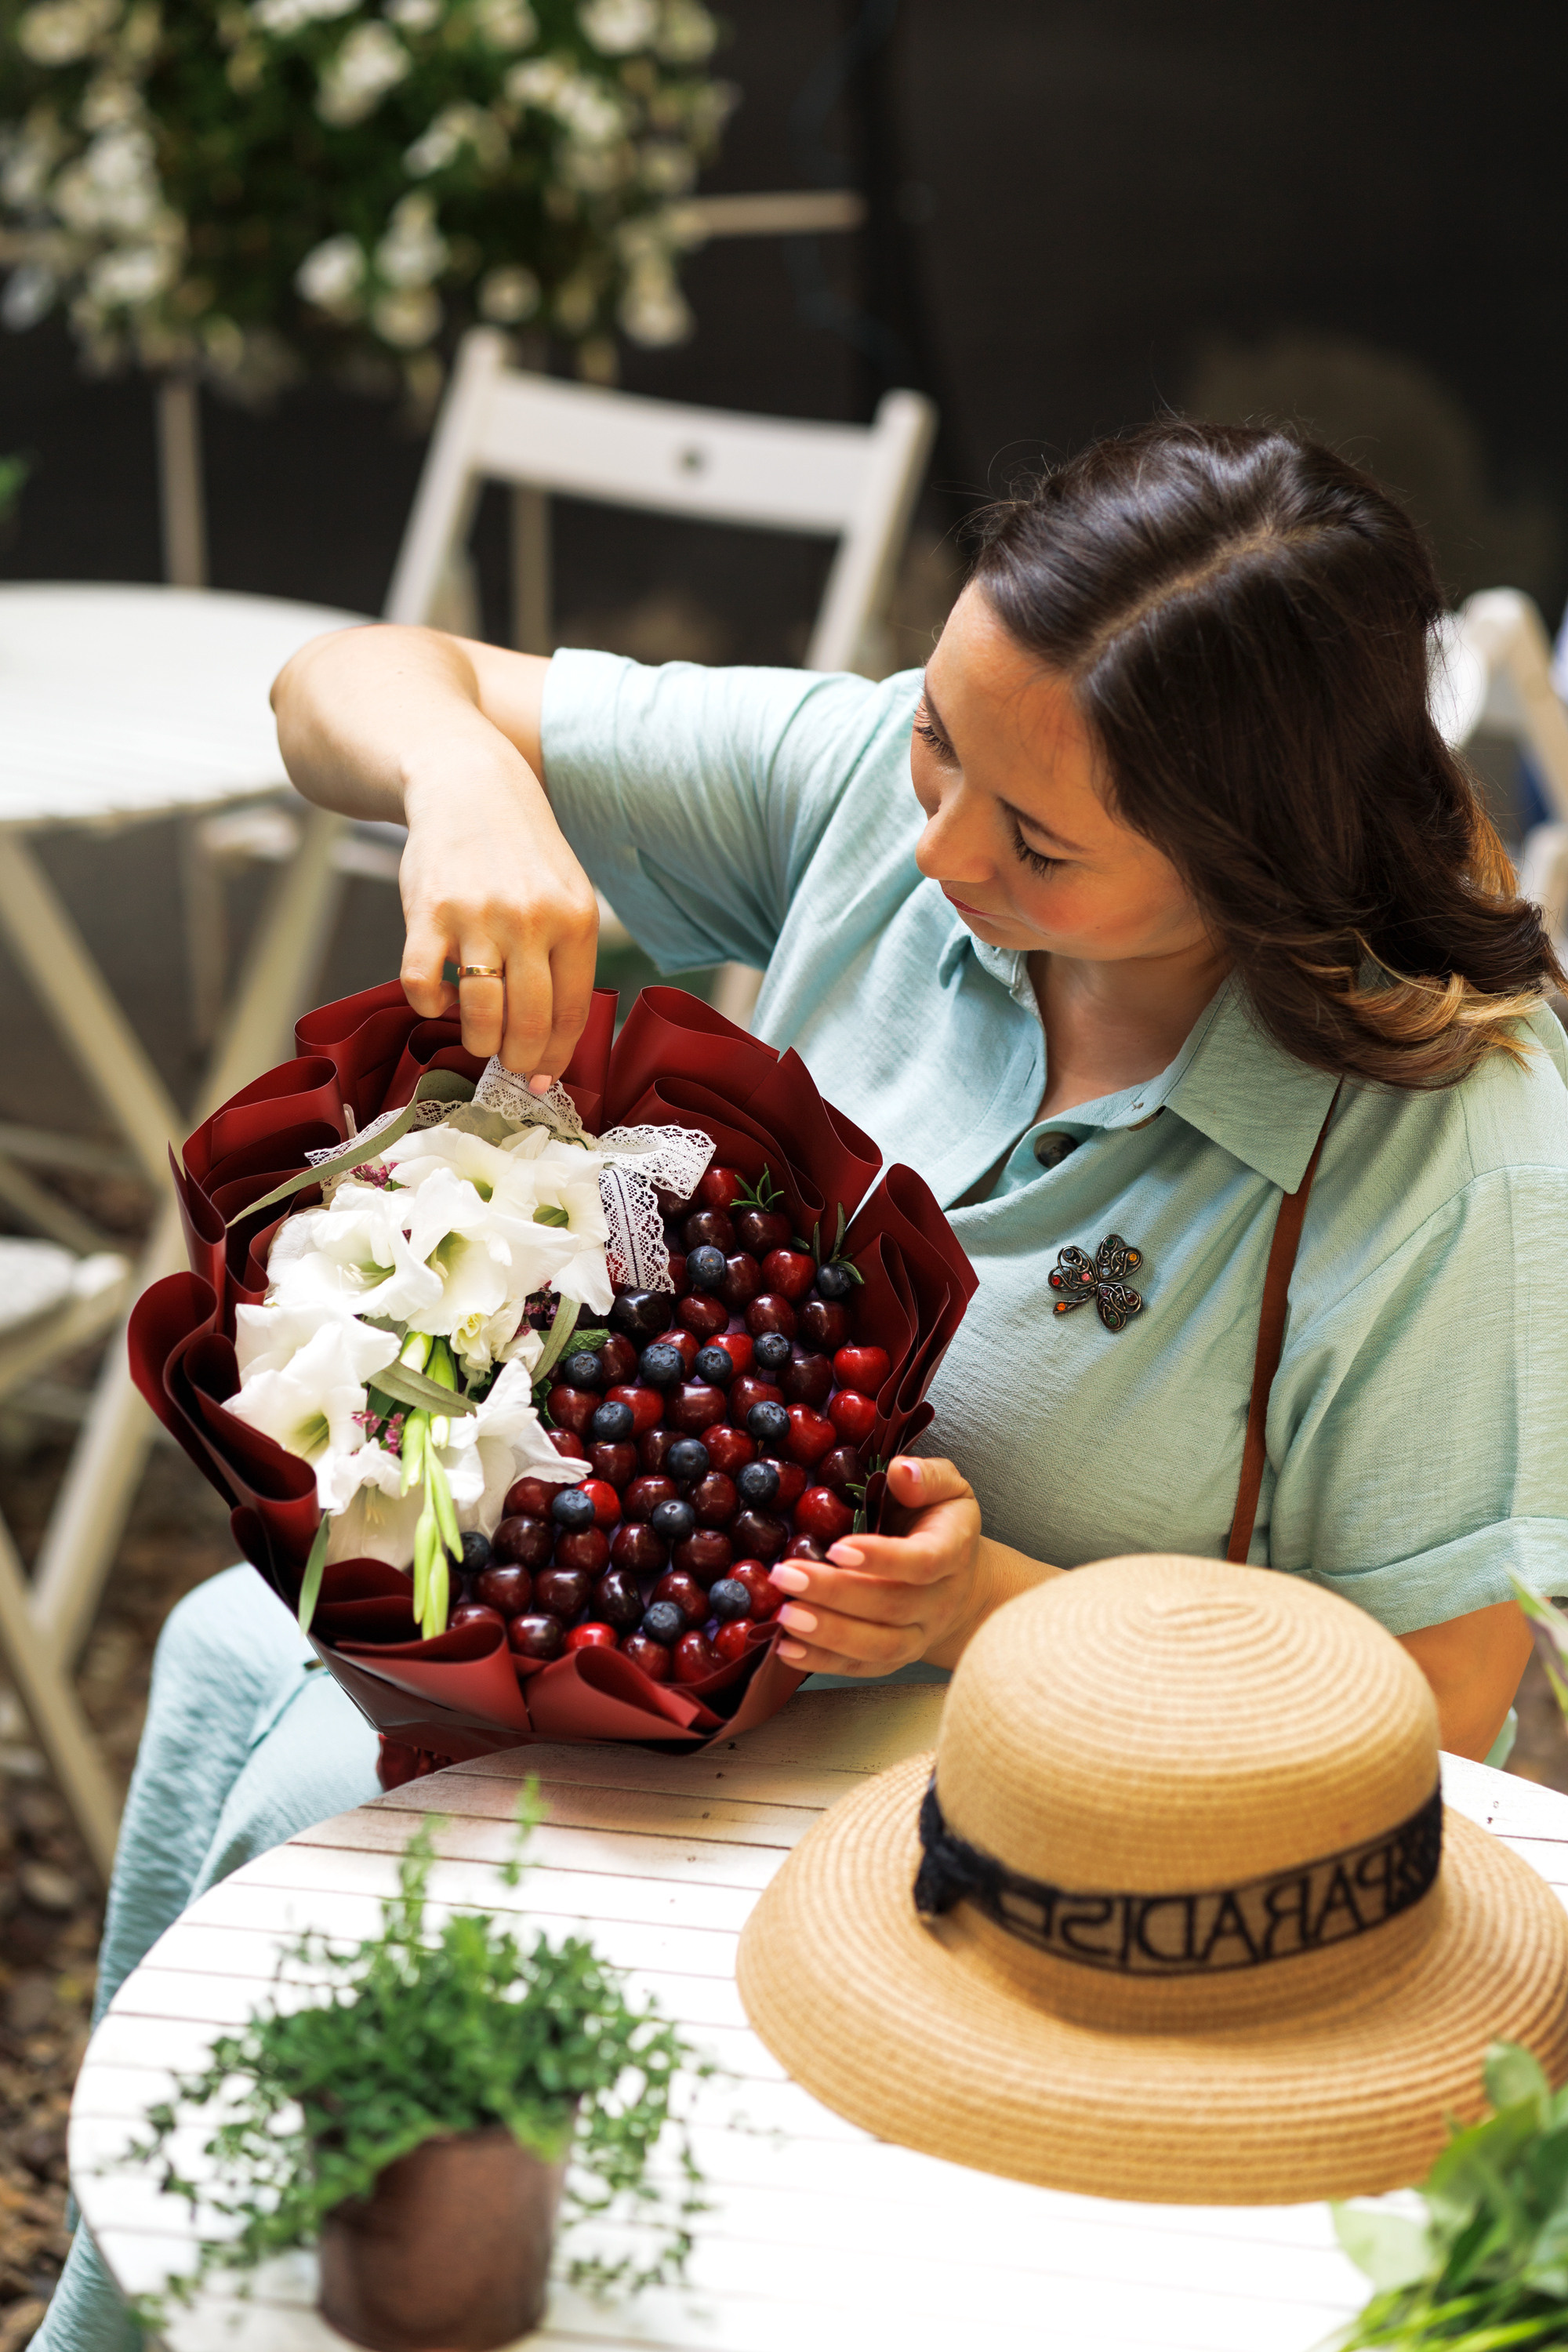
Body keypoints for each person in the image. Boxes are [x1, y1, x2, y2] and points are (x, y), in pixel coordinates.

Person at [34, 420, 1568, 2350]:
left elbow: (1439, 1711)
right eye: (943, 735)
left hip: (1060, 1841)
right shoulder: (880, 794)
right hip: (707, 1679)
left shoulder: (1461, 1156)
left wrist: (984, 1604)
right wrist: (466, 786)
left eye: (1039, 843)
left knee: (330, 1809)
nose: (934, 853)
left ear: (1254, 861)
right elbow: (342, 683)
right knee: (224, 1663)